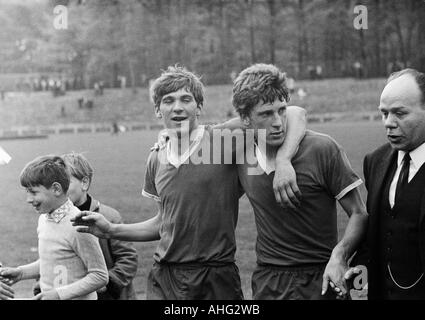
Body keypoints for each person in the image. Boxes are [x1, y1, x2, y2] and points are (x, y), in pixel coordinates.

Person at [71, 65, 306, 300]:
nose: (177, 107)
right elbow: (164, 223)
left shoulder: (224, 139)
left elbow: (295, 113)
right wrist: (112, 230)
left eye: (186, 99)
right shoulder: (156, 157)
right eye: (168, 100)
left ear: (199, 107)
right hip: (164, 276)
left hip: (215, 276)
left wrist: (284, 160)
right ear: (157, 110)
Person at [233, 64, 368, 299]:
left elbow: (359, 212)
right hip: (267, 281)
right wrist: (166, 140)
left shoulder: (323, 149)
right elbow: (197, 139)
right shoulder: (239, 152)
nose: (278, 122)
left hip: (320, 279)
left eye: (282, 110)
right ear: (245, 119)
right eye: (266, 114)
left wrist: (340, 256)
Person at [347, 69, 425, 300]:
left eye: (400, 113)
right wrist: (357, 286)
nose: (388, 123)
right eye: (384, 113)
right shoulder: (376, 161)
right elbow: (373, 241)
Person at [0, 155, 108, 300]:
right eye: (27, 192)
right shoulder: (43, 220)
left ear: (56, 189)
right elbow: (52, 260)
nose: (28, 199)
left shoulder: (78, 225)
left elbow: (100, 276)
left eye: (33, 192)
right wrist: (21, 273)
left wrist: (59, 294)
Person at [62, 152, 138, 300]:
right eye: (57, 184)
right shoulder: (54, 220)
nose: (61, 189)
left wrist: (108, 285)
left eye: (67, 182)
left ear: (84, 183)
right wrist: (41, 286)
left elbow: (128, 259)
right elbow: (49, 257)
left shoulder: (109, 217)